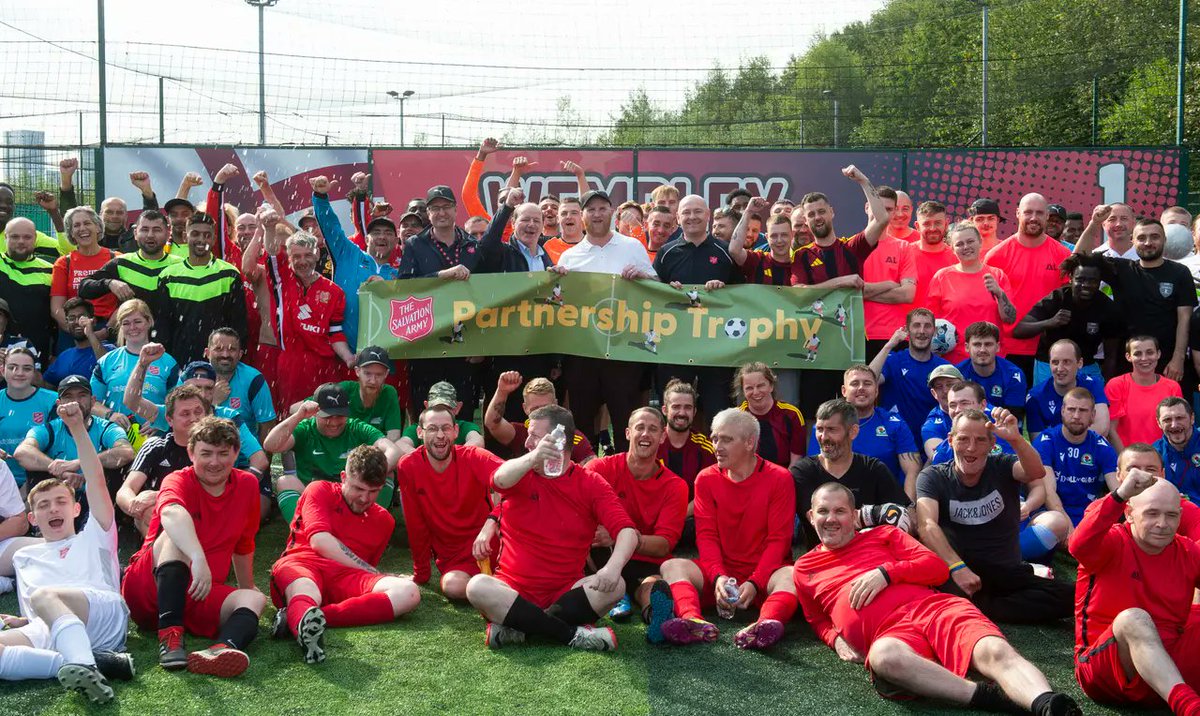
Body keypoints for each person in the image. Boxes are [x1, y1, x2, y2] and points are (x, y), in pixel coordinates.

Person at [795, 482, 1082, 715]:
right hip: (889, 634)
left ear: (854, 515)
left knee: (993, 652)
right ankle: (984, 696)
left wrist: (886, 573)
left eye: (840, 511)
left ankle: (1047, 703)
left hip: (932, 609)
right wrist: (835, 639)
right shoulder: (803, 568)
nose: (831, 519)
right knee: (884, 658)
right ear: (810, 516)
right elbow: (815, 617)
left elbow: (934, 567)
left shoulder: (884, 535)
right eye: (823, 511)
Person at [465, 405, 635, 652]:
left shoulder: (590, 482)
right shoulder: (522, 470)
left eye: (534, 436)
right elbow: (497, 480)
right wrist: (534, 457)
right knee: (477, 586)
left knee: (616, 585)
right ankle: (568, 634)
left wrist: (612, 567)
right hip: (513, 589)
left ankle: (519, 627)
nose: (527, 443)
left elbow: (626, 530)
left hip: (566, 591)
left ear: (559, 439)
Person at [0, 402, 132, 704]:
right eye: (43, 506)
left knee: (45, 596)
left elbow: (96, 477)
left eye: (60, 501)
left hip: (102, 614)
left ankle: (85, 666)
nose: (53, 508)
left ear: (76, 509)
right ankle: (94, 663)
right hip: (53, 629)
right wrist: (23, 621)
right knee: (43, 600)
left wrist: (75, 428)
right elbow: (37, 610)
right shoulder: (23, 557)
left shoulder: (95, 533)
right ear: (32, 519)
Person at [121, 416, 265, 677]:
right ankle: (170, 636)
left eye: (223, 453)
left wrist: (246, 587)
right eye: (206, 453)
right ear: (191, 452)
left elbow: (244, 544)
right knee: (175, 538)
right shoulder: (178, 479)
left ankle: (221, 650)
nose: (214, 462)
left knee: (254, 598)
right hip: (149, 591)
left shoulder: (247, 484)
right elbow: (172, 514)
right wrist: (197, 557)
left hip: (199, 591)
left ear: (236, 453)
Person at [653, 408, 797, 649]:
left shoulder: (780, 478)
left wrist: (755, 582)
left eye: (726, 439)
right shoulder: (706, 478)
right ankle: (692, 620)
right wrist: (718, 577)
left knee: (793, 574)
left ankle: (765, 623)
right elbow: (706, 536)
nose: (717, 446)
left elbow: (779, 541)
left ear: (750, 443)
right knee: (672, 565)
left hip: (766, 575)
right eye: (715, 438)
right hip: (721, 575)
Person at [916, 408, 1074, 624]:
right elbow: (926, 524)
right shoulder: (933, 477)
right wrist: (958, 567)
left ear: (992, 444)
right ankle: (975, 603)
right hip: (961, 571)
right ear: (951, 440)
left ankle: (983, 607)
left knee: (1073, 598)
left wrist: (1016, 439)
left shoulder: (1003, 465)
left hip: (1007, 571)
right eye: (963, 439)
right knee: (944, 593)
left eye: (980, 440)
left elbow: (1036, 472)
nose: (971, 448)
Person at [271, 445, 419, 663]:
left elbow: (364, 571)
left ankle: (307, 617)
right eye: (358, 488)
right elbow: (320, 541)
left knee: (409, 592)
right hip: (302, 564)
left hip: (345, 577)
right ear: (343, 477)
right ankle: (304, 616)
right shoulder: (318, 489)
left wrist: (380, 578)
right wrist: (373, 572)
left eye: (373, 491)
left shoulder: (384, 520)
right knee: (307, 587)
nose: (364, 498)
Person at [1069, 470, 1200, 714]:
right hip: (1106, 669)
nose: (1162, 524)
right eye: (1152, 513)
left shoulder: (1186, 552)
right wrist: (1120, 495)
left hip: (1167, 665)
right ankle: (1189, 708)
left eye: (1171, 516)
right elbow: (1078, 544)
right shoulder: (1111, 542)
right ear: (1129, 513)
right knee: (1133, 619)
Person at [556, 189, 656, 451]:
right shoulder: (570, 256)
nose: (597, 214)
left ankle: (626, 475)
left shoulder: (632, 246)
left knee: (625, 419)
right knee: (582, 421)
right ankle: (583, 476)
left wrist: (645, 278)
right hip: (583, 352)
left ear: (612, 212)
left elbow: (658, 288)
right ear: (582, 216)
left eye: (602, 208)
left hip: (622, 350)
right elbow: (560, 303)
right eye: (591, 209)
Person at [789, 167, 888, 418]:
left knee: (857, 409)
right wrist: (841, 281)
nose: (817, 217)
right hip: (816, 345)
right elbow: (799, 293)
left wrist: (864, 181)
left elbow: (882, 219)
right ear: (806, 221)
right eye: (811, 214)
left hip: (850, 342)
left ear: (832, 212)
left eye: (821, 211)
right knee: (816, 412)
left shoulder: (852, 247)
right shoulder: (802, 255)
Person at [586, 408, 688, 622]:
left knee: (652, 584)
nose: (645, 434)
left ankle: (657, 616)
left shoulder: (675, 485)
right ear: (627, 433)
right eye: (639, 427)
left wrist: (622, 538)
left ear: (662, 437)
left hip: (643, 559)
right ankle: (615, 592)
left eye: (652, 429)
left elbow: (664, 544)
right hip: (599, 554)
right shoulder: (599, 468)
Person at [1075, 208, 1196, 380]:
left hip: (1166, 360)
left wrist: (1178, 359)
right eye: (1141, 237)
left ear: (1164, 240)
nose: (1148, 242)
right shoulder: (1120, 269)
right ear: (1132, 240)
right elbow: (1080, 256)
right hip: (1127, 360)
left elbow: (1184, 321)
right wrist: (1094, 223)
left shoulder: (1180, 272)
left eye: (1154, 237)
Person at [117, 384, 255, 534]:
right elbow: (126, 490)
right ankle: (158, 555)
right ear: (169, 420)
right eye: (185, 414)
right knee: (149, 510)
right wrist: (136, 505)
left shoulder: (217, 449)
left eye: (198, 412)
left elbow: (216, 495)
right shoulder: (156, 446)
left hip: (205, 514)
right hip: (162, 516)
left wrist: (161, 496)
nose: (193, 418)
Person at [396, 405, 502, 601]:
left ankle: (506, 583)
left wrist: (491, 522)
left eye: (445, 428)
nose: (440, 435)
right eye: (432, 428)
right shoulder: (408, 466)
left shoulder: (474, 456)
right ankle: (502, 588)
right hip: (454, 558)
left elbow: (514, 482)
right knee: (452, 586)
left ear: (455, 432)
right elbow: (415, 523)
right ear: (420, 432)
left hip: (492, 544)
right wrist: (421, 574)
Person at [249, 226, 354, 415]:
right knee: (293, 416)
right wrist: (267, 227)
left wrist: (348, 358)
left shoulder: (334, 291)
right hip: (291, 363)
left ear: (316, 255)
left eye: (307, 255)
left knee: (326, 415)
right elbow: (272, 251)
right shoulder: (282, 280)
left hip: (324, 364)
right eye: (296, 256)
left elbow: (335, 332)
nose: (302, 261)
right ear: (289, 258)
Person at [652, 193, 738, 419]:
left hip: (716, 347)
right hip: (675, 346)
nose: (692, 217)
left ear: (708, 215)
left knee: (717, 413)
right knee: (674, 411)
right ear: (678, 218)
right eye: (686, 212)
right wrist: (666, 289)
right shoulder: (666, 252)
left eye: (698, 211)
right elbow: (652, 294)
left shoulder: (725, 252)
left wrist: (724, 289)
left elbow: (742, 295)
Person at [263, 383, 400, 523]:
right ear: (315, 413)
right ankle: (306, 531)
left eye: (339, 416)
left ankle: (367, 525)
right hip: (315, 501)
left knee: (386, 471)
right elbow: (270, 445)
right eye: (327, 416)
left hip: (352, 498)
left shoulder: (357, 428)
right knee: (285, 482)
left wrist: (366, 477)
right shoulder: (304, 429)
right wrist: (298, 416)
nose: (333, 422)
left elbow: (393, 451)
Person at [396, 185, 481, 411]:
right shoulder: (415, 244)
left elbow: (486, 293)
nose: (441, 213)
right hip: (426, 338)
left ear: (455, 210)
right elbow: (404, 286)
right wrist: (442, 276)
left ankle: (462, 446)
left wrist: (483, 343)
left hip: (464, 340)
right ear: (428, 213)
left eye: (446, 207)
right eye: (435, 208)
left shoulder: (472, 244)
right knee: (424, 405)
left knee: (463, 405)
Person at [793, 399, 912, 548]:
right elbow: (823, 523)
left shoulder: (873, 469)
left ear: (853, 432)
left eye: (832, 429)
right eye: (819, 429)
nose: (823, 437)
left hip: (870, 557)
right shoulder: (803, 472)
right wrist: (875, 514)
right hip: (823, 559)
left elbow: (902, 517)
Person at [983, 193, 1072, 379]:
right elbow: (988, 305)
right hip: (1008, 348)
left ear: (1047, 216)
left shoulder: (1062, 255)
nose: (1033, 217)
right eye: (1028, 212)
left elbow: (1067, 300)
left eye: (1039, 213)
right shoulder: (996, 256)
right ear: (1017, 213)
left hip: (1049, 350)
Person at [308, 176, 399, 352]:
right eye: (376, 232)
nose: (382, 237)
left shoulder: (400, 274)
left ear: (396, 241)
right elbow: (331, 226)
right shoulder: (348, 254)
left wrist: (389, 289)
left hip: (386, 361)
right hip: (345, 357)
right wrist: (320, 198)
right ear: (366, 238)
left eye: (388, 233)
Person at [1012, 252, 1121, 385]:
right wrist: (1050, 322)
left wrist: (1107, 385)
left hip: (1085, 365)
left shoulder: (1107, 307)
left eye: (1092, 281)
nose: (1086, 285)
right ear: (1071, 278)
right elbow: (1018, 330)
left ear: (1099, 282)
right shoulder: (1057, 298)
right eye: (1080, 280)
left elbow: (1111, 355)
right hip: (1049, 365)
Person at [15, 376, 133, 498]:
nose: (75, 401)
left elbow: (126, 452)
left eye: (82, 395)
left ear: (93, 401)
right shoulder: (49, 429)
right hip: (60, 496)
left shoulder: (107, 428)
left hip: (99, 499)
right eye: (68, 396)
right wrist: (60, 470)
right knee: (36, 469)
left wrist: (80, 463)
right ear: (58, 404)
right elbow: (21, 453)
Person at [808, 367, 920, 495]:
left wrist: (909, 508)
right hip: (836, 502)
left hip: (884, 502)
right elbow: (815, 470)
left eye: (867, 383)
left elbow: (912, 471)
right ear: (844, 391)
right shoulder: (825, 426)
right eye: (855, 383)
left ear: (876, 390)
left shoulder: (894, 423)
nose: (861, 388)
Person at [155, 212, 247, 366]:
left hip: (220, 361)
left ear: (213, 238)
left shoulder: (229, 274)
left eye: (207, 235)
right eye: (195, 234)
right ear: (185, 236)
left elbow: (239, 324)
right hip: (179, 361)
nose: (201, 240)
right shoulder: (168, 276)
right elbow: (163, 326)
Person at [927, 223, 1017, 364]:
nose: (966, 247)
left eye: (970, 241)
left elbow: (1010, 319)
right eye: (959, 244)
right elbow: (931, 322)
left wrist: (999, 294)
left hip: (990, 360)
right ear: (952, 248)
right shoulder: (942, 277)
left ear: (980, 241)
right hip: (954, 360)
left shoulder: (997, 275)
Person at [1034, 388, 1119, 526]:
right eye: (1071, 409)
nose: (1076, 416)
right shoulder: (1046, 441)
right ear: (1062, 411)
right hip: (1054, 513)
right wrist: (1069, 530)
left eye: (1083, 411)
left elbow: (1118, 490)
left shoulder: (1101, 446)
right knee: (1053, 524)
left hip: (1090, 514)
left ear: (1093, 415)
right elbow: (1048, 492)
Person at [77, 209, 182, 319]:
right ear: (135, 233)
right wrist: (109, 283)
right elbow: (84, 288)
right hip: (132, 333)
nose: (150, 235)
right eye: (145, 230)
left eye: (157, 230)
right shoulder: (122, 263)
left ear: (167, 233)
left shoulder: (180, 265)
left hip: (171, 334)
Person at [90, 298, 177, 429]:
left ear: (149, 322)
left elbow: (179, 404)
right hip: (115, 438)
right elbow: (91, 403)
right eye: (126, 323)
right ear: (120, 326)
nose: (132, 327)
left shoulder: (168, 362)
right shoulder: (106, 362)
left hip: (155, 439)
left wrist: (159, 420)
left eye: (137, 321)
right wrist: (110, 415)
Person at [871, 308, 951, 443]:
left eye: (927, 326)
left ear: (934, 331)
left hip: (930, 439)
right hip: (893, 440)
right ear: (907, 330)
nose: (922, 331)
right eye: (916, 325)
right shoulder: (893, 360)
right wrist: (888, 346)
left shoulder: (944, 368)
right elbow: (868, 381)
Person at [484, 372, 595, 463]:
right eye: (535, 409)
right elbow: (492, 423)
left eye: (546, 408)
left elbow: (593, 469)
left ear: (556, 404)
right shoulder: (520, 432)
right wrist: (502, 391)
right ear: (525, 408)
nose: (542, 414)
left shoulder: (572, 438)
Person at [657, 379, 716, 547]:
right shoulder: (652, 442)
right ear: (664, 410)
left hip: (688, 516)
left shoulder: (705, 447)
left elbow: (706, 494)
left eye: (687, 408)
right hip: (654, 514)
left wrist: (677, 516)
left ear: (694, 412)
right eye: (676, 407)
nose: (682, 413)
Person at [860, 186, 917, 359]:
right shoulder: (850, 246)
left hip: (895, 335)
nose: (882, 213)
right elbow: (848, 292)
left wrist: (864, 292)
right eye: (878, 207)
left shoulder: (903, 247)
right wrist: (888, 285)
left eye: (888, 209)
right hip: (857, 335)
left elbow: (907, 294)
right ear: (867, 207)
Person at [303, 346, 403, 443]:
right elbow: (294, 408)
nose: (373, 381)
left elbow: (393, 437)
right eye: (368, 373)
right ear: (357, 371)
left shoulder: (389, 393)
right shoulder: (344, 389)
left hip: (374, 454)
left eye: (378, 374)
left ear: (386, 374)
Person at [51, 207, 119, 344]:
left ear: (98, 228)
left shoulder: (117, 259)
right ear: (71, 233)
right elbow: (56, 308)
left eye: (87, 223)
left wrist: (105, 331)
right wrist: (76, 330)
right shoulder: (64, 263)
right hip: (72, 332)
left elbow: (125, 304)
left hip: (107, 329)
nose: (82, 228)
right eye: (76, 225)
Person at [1105, 335, 1182, 451]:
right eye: (1137, 354)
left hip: (1162, 458)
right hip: (1126, 458)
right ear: (1128, 357)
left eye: (1150, 352)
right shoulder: (1116, 385)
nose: (1144, 358)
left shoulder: (1172, 387)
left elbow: (1177, 427)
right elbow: (1111, 430)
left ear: (1158, 354)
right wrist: (1127, 461)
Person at [1025, 339, 1110, 439]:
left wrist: (1068, 442)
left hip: (1088, 450)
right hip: (1053, 453)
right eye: (1055, 362)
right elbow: (1037, 441)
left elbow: (1102, 428)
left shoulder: (1092, 384)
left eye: (1066, 362)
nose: (1060, 368)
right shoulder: (1035, 396)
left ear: (1080, 363)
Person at [0, 348, 58, 489]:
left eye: (26, 369)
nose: (19, 373)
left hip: (43, 480)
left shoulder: (52, 401)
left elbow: (60, 444)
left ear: (34, 373)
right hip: (3, 479)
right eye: (12, 367)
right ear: (2, 370)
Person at [204, 327, 276, 440]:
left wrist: (261, 456)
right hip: (202, 451)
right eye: (218, 349)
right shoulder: (193, 377)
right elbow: (183, 421)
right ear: (207, 353)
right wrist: (212, 402)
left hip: (244, 453)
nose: (225, 354)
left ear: (240, 354)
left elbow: (267, 424)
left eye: (232, 349)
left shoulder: (254, 380)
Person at [0, 218, 56, 361]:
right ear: (5, 237)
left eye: (27, 237)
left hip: (37, 349)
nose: (21, 241)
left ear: (35, 239)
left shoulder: (50, 270)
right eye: (14, 236)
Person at [735, 361, 805, 469]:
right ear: (743, 391)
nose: (756, 392)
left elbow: (796, 459)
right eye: (749, 388)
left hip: (784, 477)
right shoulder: (735, 418)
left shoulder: (792, 414)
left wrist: (783, 482)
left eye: (760, 386)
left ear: (771, 386)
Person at [955, 322, 1028, 417]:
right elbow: (956, 411)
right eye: (977, 344)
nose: (982, 350)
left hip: (1002, 427)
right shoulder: (958, 373)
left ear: (997, 347)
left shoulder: (1013, 375)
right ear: (967, 347)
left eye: (988, 344)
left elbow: (1012, 416)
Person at [398, 381, 483, 455]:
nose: (442, 413)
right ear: (426, 406)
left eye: (447, 408)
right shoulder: (417, 428)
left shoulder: (465, 427)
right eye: (436, 408)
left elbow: (477, 440)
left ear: (457, 408)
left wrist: (453, 457)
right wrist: (424, 458)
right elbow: (401, 445)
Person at [43, 298, 111, 388]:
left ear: (93, 321)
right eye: (72, 318)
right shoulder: (64, 356)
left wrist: (90, 333)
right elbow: (46, 385)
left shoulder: (110, 350)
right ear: (67, 323)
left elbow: (107, 367)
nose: (76, 322)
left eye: (82, 317)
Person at [729, 199, 793, 286]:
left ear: (792, 235)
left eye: (784, 235)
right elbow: (734, 250)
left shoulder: (800, 262)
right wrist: (748, 211)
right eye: (774, 236)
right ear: (766, 237)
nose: (779, 240)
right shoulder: (757, 260)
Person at [910, 201, 956, 311]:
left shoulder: (957, 257)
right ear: (917, 226)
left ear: (946, 224)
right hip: (911, 325)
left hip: (947, 325)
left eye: (938, 223)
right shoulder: (904, 253)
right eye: (926, 224)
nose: (932, 228)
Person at [1154, 397, 1200, 501]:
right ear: (1158, 423)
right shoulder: (1155, 454)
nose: (1174, 425)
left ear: (1192, 418)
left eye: (1179, 418)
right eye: (1167, 420)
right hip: (1172, 514)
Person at [541, 197, 585, 264]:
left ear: (582, 216)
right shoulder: (548, 247)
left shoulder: (593, 245)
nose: (569, 217)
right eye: (564, 213)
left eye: (574, 213)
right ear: (558, 218)